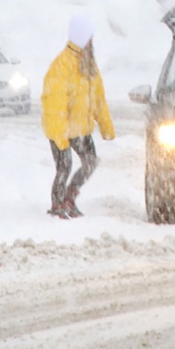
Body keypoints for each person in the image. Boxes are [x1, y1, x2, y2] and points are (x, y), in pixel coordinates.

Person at [42, 14, 115, 218]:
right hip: (61, 129)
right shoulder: (61, 66)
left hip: (81, 128)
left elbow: (99, 99)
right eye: (89, 37)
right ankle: (57, 205)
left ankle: (69, 197)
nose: (92, 42)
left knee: (90, 162)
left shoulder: (89, 65)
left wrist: (106, 126)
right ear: (81, 37)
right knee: (64, 167)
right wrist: (60, 135)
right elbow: (54, 105)